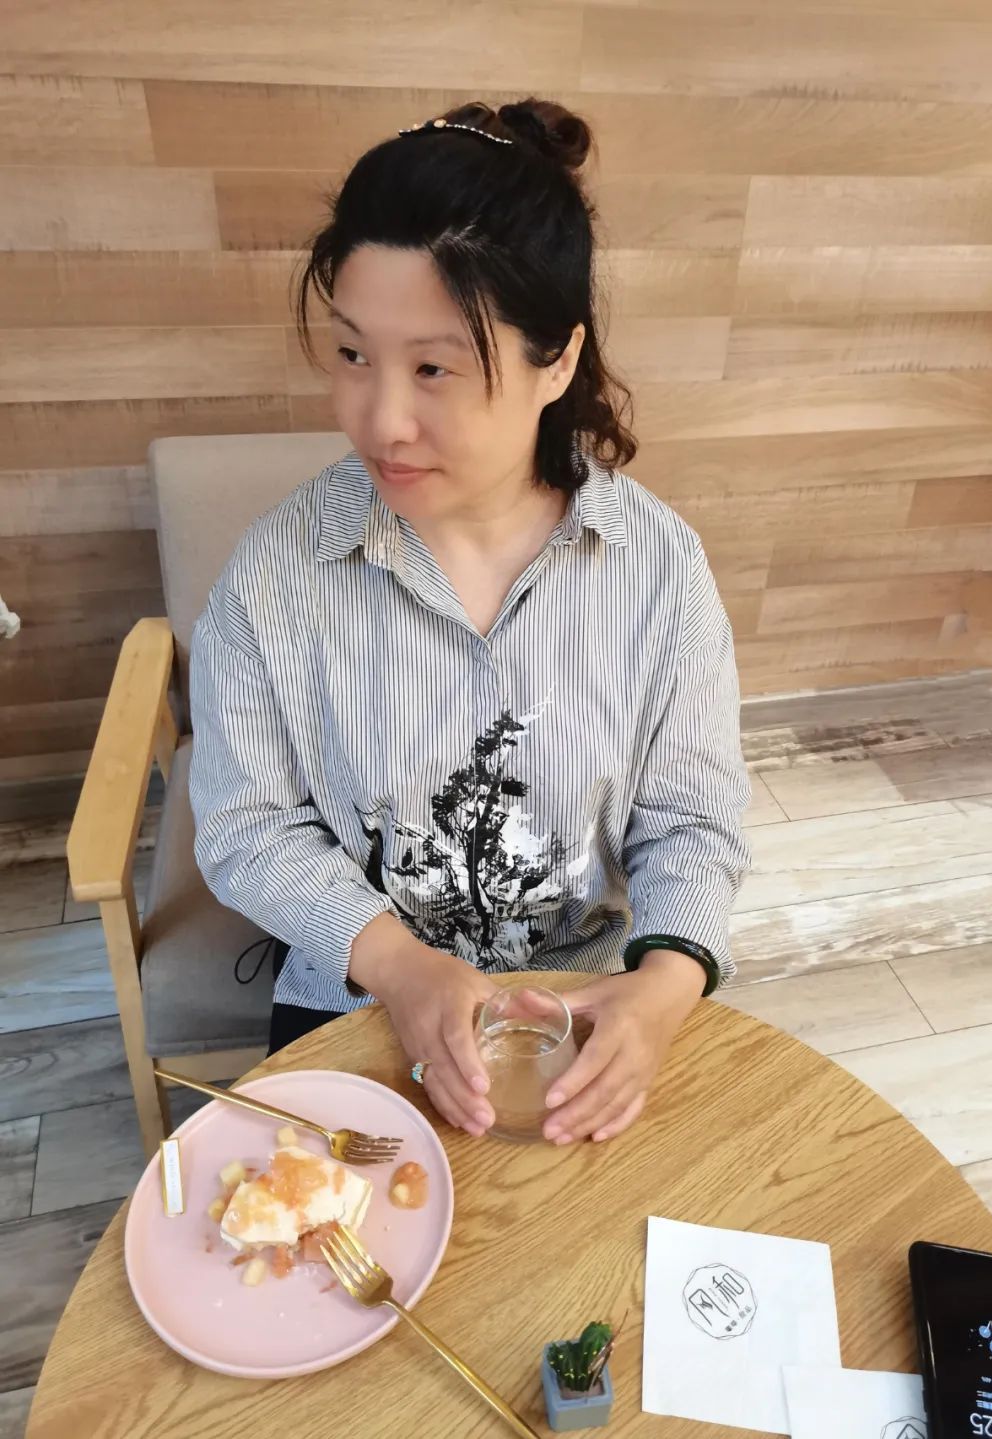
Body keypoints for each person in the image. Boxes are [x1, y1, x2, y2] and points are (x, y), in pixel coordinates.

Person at [188, 97, 753, 1147]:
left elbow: (693, 820)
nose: (381, 419)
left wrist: (669, 981)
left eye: (433, 368)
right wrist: (400, 965)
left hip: (580, 1011)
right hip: (358, 996)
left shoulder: (657, 566)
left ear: (557, 360)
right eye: (353, 354)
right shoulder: (276, 574)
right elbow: (246, 825)